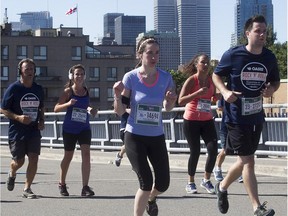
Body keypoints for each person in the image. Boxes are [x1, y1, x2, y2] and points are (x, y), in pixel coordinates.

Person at [212, 15, 280, 216]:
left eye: (265, 31)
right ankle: (257, 207)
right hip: (235, 117)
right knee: (249, 161)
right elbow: (216, 75)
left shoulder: (269, 57)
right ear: (247, 33)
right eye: (258, 31)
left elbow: (275, 82)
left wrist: (271, 90)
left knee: (243, 161)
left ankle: (222, 187)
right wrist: (225, 92)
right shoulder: (234, 55)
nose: (262, 35)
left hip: (256, 115)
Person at [113, 36, 177, 216]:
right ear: (140, 55)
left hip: (156, 136)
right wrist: (117, 96)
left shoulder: (166, 78)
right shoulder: (131, 78)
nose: (154, 57)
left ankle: (151, 198)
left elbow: (167, 107)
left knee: (163, 183)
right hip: (134, 135)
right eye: (149, 53)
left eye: (157, 53)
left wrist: (170, 100)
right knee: (146, 182)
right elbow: (119, 111)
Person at [0, 58, 45, 199]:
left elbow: (41, 107)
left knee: (34, 158)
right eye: (27, 69)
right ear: (21, 71)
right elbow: (3, 109)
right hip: (17, 131)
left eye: (32, 69)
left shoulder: (38, 89)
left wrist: (42, 120)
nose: (30, 72)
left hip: (33, 130)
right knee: (19, 161)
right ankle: (12, 173)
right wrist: (18, 117)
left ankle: (27, 188)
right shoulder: (14, 88)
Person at [178, 53, 220, 195]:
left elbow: (212, 97)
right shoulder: (192, 80)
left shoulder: (211, 80)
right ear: (197, 65)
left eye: (208, 62)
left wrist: (217, 97)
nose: (206, 65)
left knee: (213, 149)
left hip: (207, 119)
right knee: (195, 151)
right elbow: (181, 100)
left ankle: (206, 180)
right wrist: (196, 94)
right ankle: (190, 182)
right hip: (191, 120)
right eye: (203, 62)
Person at [54, 64, 98, 197]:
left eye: (81, 74)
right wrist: (68, 104)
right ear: (72, 76)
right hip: (70, 129)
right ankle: (62, 183)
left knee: (86, 155)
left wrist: (92, 110)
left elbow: (86, 106)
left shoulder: (86, 90)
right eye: (77, 74)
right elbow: (56, 108)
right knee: (68, 156)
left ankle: (85, 187)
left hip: (84, 127)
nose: (79, 76)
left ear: (84, 76)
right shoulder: (68, 91)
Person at [213, 98, 243, 183]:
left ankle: (240, 172)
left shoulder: (243, 93)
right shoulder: (226, 93)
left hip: (239, 126)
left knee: (240, 151)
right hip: (226, 126)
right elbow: (219, 108)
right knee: (225, 150)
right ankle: (217, 169)